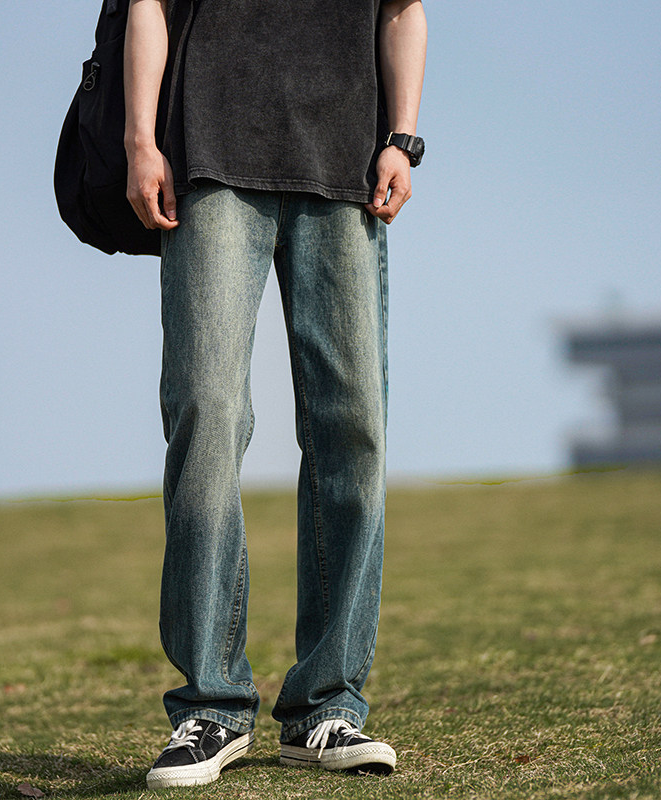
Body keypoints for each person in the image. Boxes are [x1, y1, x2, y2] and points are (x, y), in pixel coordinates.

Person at [123, 0, 427, 789]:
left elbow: (402, 10)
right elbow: (147, 4)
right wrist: (140, 140)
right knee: (206, 411)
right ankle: (212, 705)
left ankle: (328, 705)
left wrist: (402, 138)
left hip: (346, 166)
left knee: (352, 428)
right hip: (209, 159)